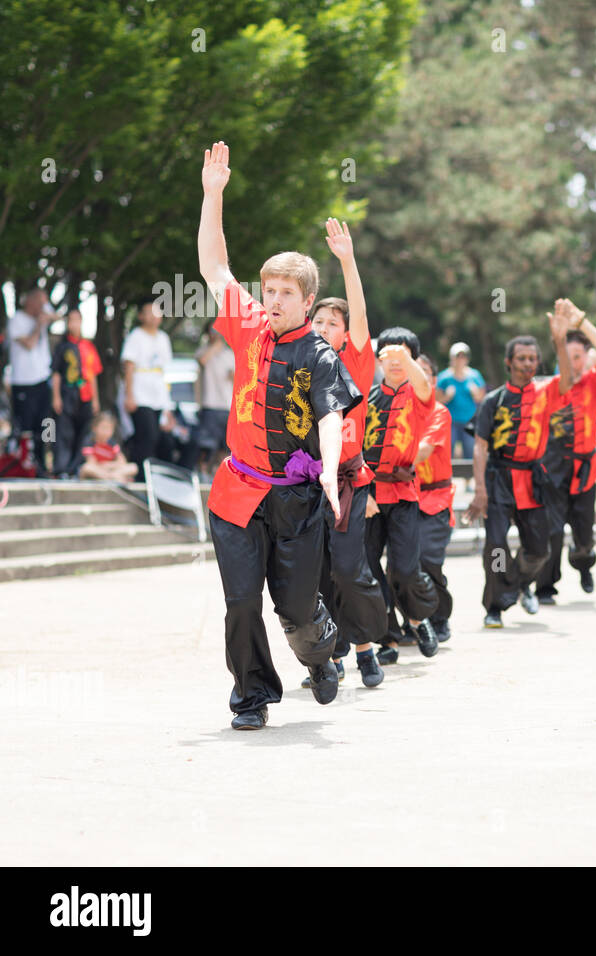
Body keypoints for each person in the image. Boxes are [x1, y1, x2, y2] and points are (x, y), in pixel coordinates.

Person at [198, 140, 360, 731]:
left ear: (307, 300)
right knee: (241, 604)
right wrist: (213, 194)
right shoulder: (249, 329)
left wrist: (328, 469)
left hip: (294, 499)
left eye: (285, 293)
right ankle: (252, 695)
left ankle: (319, 655)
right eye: (267, 291)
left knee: (293, 608)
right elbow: (214, 266)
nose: (272, 301)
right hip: (238, 492)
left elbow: (329, 417)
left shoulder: (318, 354)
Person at [292, 217, 388, 690]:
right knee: (314, 578)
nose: (325, 327)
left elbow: (362, 318)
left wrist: (347, 261)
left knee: (350, 571)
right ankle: (329, 658)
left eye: (334, 323)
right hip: (305, 483)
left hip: (349, 483)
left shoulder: (355, 362)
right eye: (320, 320)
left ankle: (369, 646)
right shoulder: (301, 362)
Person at [465, 302, 577, 628]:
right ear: (509, 363)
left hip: (533, 480)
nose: (528, 363)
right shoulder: (493, 401)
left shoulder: (545, 394)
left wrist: (559, 339)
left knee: (539, 551)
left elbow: (568, 380)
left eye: (533, 358)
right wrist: (481, 491)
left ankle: (521, 584)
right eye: (522, 359)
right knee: (497, 547)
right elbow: (480, 448)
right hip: (499, 478)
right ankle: (495, 607)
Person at [362, 326, 443, 662]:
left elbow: (423, 385)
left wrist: (406, 360)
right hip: (367, 494)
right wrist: (360, 489)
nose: (395, 361)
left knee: (405, 568)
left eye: (403, 355)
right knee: (367, 568)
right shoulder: (365, 398)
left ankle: (417, 618)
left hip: (403, 494)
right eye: (389, 355)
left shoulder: (421, 398)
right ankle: (388, 638)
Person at [537, 307, 596, 604]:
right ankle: (546, 587)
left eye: (578, 357)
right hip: (554, 465)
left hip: (585, 466)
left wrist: (580, 322)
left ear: (587, 357)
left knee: (584, 535)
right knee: (553, 529)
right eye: (567, 358)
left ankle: (583, 564)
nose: (573, 363)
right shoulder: (552, 388)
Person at [408, 354, 456, 643]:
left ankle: (439, 616)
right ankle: (409, 621)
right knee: (401, 563)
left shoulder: (439, 412)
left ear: (433, 381)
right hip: (403, 496)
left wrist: (387, 461)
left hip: (435, 497)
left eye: (422, 373)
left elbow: (423, 451)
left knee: (428, 558)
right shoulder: (398, 411)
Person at [7, 289, 56, 475]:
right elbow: (29, 344)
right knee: (25, 425)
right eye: (40, 303)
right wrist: (38, 325)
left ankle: (43, 463)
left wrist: (46, 315)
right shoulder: (17, 320)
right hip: (24, 381)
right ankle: (23, 463)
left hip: (43, 379)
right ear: (30, 301)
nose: (43, 307)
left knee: (45, 424)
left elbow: (59, 317)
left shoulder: (43, 313)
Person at [121, 299, 173, 471]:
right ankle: (139, 474)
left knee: (161, 437)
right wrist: (129, 395)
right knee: (146, 435)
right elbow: (129, 366)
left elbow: (164, 371)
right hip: (140, 393)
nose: (153, 317)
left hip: (157, 394)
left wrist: (167, 406)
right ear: (141, 316)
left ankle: (155, 474)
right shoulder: (136, 336)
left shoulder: (163, 338)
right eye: (149, 312)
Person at [50, 308, 102, 477]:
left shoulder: (88, 346)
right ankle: (62, 469)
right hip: (68, 392)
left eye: (76, 320)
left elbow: (93, 374)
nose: (74, 323)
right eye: (70, 320)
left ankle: (76, 468)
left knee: (83, 432)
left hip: (85, 394)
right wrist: (56, 396)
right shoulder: (62, 347)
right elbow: (56, 373)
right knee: (64, 432)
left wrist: (95, 399)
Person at [195, 319, 235, 479]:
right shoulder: (203, 351)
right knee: (206, 445)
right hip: (209, 405)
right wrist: (216, 347)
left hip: (228, 406)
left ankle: (220, 475)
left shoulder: (230, 354)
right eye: (213, 331)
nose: (216, 335)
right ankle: (202, 474)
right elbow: (202, 361)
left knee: (224, 447)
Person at [436, 342, 486, 461]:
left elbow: (482, 398)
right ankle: (448, 477)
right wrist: (447, 397)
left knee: (470, 450)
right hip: (450, 421)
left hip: (469, 420)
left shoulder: (474, 376)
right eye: (457, 356)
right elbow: (436, 401)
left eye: (463, 356)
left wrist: (475, 393)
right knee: (448, 451)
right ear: (451, 358)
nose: (460, 359)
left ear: (467, 358)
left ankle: (469, 479)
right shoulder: (444, 377)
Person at [78, 411, 137, 482]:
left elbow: (122, 461)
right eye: (103, 428)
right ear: (94, 428)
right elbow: (91, 463)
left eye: (109, 429)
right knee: (87, 468)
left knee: (134, 467)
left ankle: (112, 477)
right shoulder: (89, 442)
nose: (106, 431)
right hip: (97, 471)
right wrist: (110, 467)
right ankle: (113, 478)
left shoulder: (113, 443)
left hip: (110, 470)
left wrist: (109, 466)